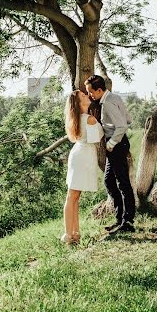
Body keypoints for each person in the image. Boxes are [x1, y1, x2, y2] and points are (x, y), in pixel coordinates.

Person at [85, 75, 136, 234]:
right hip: (117, 144)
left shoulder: (107, 103)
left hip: (116, 145)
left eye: (91, 92)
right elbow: (128, 119)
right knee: (109, 181)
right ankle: (120, 218)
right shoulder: (115, 97)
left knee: (122, 183)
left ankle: (127, 221)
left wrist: (111, 143)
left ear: (99, 90)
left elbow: (121, 126)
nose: (90, 95)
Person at [62, 89, 104, 244]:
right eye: (83, 96)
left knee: (74, 197)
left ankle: (75, 233)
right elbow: (95, 139)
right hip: (83, 156)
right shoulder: (89, 119)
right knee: (72, 196)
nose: (87, 96)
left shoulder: (78, 119)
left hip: (79, 154)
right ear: (79, 103)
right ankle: (68, 234)